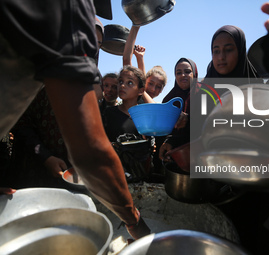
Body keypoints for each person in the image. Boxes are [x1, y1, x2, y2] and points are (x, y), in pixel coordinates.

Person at [0, 0, 150, 239]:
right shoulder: (71, 8)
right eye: (90, 43)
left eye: (97, 47)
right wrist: (134, 221)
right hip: (29, 168)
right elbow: (90, 152)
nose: (91, 52)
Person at [103, 65, 154, 182]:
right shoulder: (109, 113)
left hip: (140, 178)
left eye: (129, 83)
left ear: (141, 90)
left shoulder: (145, 116)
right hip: (114, 176)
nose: (122, 86)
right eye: (120, 81)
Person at [123, 25, 167, 99]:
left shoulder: (155, 107)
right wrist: (135, 26)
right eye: (150, 83)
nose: (153, 89)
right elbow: (126, 60)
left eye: (158, 87)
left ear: (162, 90)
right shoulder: (135, 95)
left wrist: (140, 58)